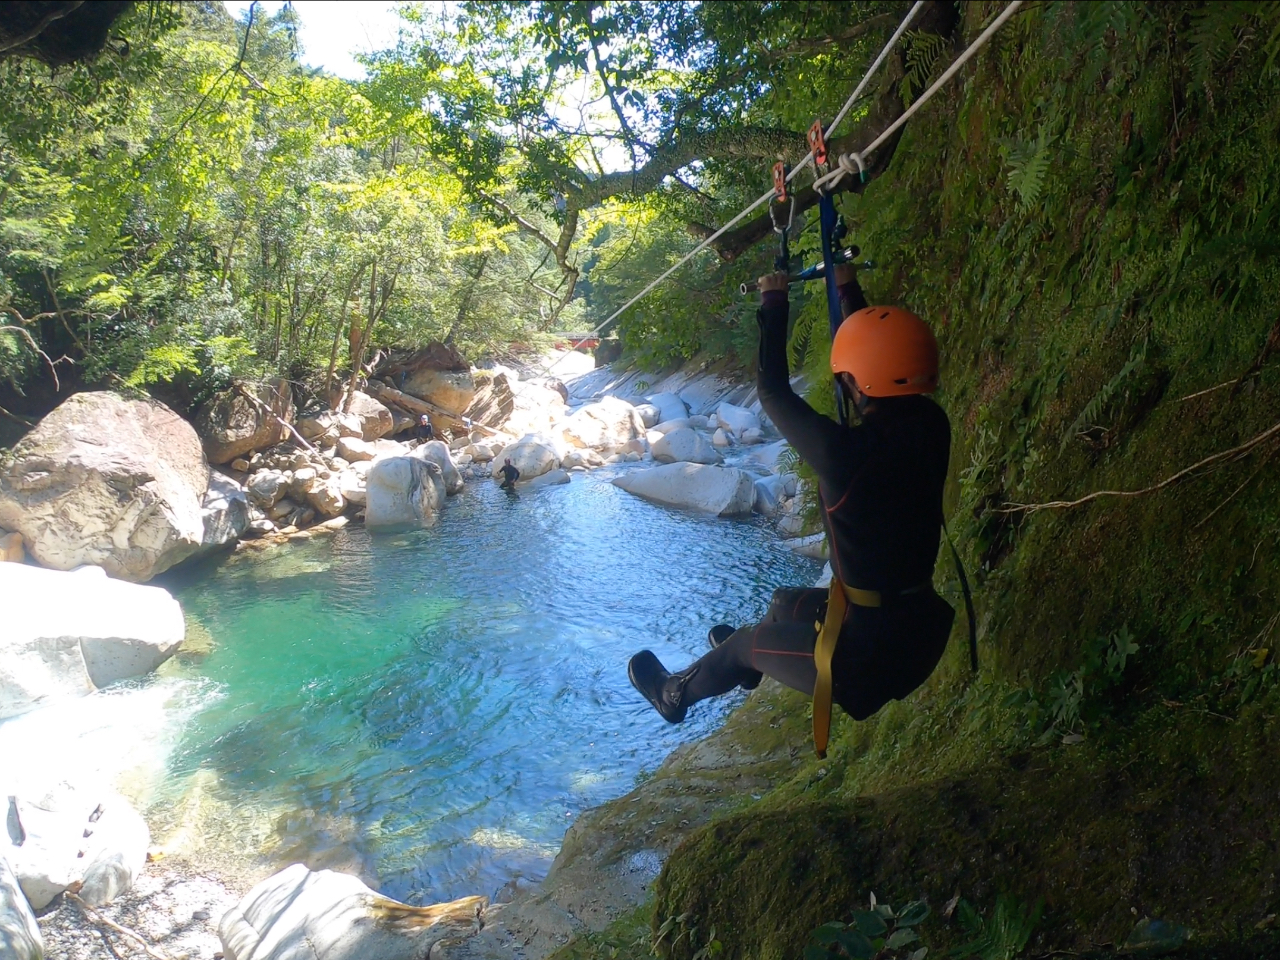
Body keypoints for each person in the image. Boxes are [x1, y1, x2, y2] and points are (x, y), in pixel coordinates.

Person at [627, 263, 956, 755]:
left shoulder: (844, 456)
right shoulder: (932, 422)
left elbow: (773, 391)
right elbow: (881, 355)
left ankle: (674, 693)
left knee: (744, 641)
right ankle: (746, 670)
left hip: (866, 661)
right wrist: (846, 286)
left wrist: (773, 302)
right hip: (917, 626)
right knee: (782, 602)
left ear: (857, 382)